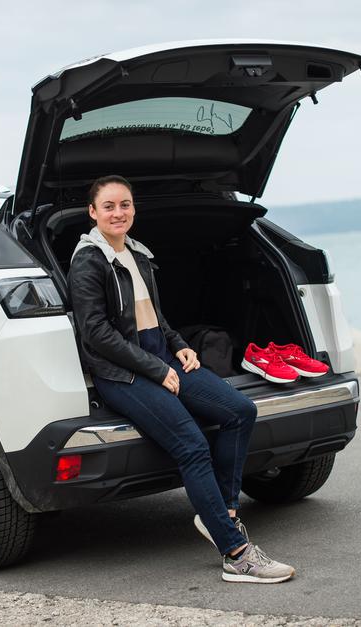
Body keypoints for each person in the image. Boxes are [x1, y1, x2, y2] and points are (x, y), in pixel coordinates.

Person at [68, 174, 296, 584]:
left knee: (240, 411)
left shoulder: (136, 253)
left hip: (161, 356)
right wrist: (157, 369)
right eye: (109, 206)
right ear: (93, 212)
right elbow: (96, 333)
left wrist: (180, 346)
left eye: (125, 204)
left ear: (133, 208)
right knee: (192, 444)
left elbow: (155, 316)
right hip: (121, 373)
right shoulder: (89, 260)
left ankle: (221, 512)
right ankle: (236, 554)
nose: (118, 213)